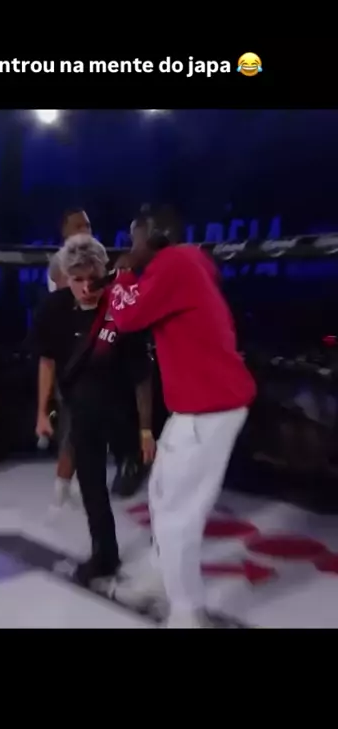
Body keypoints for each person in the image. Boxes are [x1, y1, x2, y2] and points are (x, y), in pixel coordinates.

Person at [107, 208, 257, 627]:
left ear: (154, 235)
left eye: (134, 237)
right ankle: (161, 576)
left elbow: (127, 316)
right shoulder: (185, 264)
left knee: (177, 516)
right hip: (199, 405)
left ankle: (188, 612)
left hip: (208, 408)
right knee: (161, 495)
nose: (129, 247)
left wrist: (123, 275)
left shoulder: (175, 262)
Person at [33, 234, 155, 587]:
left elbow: (142, 376)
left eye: (93, 279)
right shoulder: (54, 308)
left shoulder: (122, 307)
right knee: (91, 486)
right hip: (82, 409)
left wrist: (146, 430)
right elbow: (47, 362)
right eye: (77, 279)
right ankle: (105, 553)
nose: (87, 288)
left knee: (151, 484)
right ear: (65, 278)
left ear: (105, 273)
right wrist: (42, 412)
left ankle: (166, 551)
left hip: (123, 410)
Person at [45, 208, 92, 509]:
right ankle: (63, 482)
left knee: (86, 417)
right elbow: (75, 293)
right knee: (75, 415)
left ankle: (74, 478)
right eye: (78, 225)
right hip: (68, 350)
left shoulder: (91, 258)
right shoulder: (61, 261)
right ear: (65, 231)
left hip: (91, 345)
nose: (84, 230)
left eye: (87, 225)